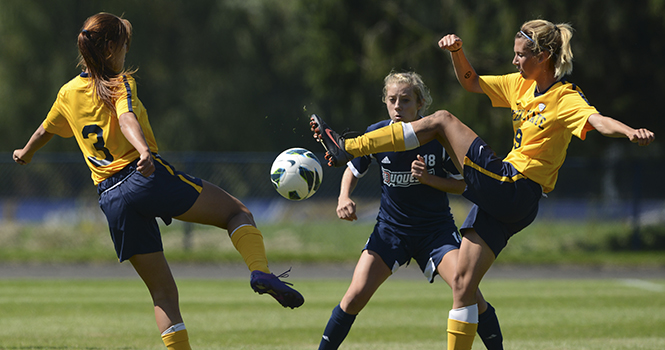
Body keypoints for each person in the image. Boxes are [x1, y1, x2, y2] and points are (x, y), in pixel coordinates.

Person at [310, 19, 655, 350]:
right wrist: (457, 52)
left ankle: (347, 145)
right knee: (463, 285)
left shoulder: (565, 97)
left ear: (543, 57)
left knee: (442, 120)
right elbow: (471, 81)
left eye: (521, 54)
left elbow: (597, 119)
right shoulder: (520, 84)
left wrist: (629, 131)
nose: (514, 60)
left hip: (514, 184)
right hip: (509, 204)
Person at [12, 12, 303, 350]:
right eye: (124, 46)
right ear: (109, 48)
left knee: (163, 294)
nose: (126, 53)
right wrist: (142, 150)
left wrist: (26, 151)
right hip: (142, 177)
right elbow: (126, 118)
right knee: (237, 213)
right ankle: (260, 271)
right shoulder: (120, 82)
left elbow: (45, 129)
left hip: (111, 200)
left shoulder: (67, 92)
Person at [318, 71, 503, 350]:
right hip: (390, 232)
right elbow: (352, 168)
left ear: (420, 105)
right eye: (392, 100)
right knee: (354, 297)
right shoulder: (376, 134)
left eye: (405, 100)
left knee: (470, 295)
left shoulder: (437, 137)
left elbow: (464, 184)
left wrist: (430, 179)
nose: (397, 106)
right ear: (385, 102)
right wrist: (343, 196)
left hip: (435, 233)